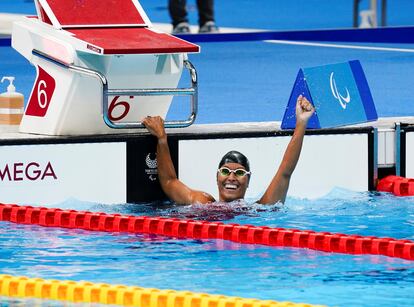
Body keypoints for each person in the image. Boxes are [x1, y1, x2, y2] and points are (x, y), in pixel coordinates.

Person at [142, 95, 314, 205]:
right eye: (225, 171)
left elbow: (285, 172)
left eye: (239, 173)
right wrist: (161, 138)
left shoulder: (258, 211)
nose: (231, 178)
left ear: (248, 180)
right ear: (217, 177)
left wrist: (301, 124)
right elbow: (169, 182)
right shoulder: (201, 201)